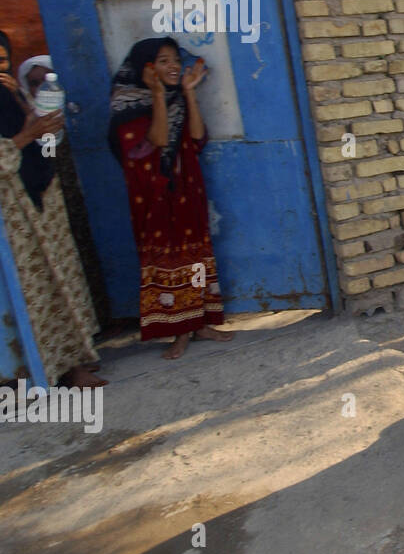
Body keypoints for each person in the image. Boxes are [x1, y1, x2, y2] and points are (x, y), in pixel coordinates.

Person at [108, 38, 231, 359]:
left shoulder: (177, 96)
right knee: (166, 259)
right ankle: (178, 330)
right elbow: (159, 140)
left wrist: (189, 92)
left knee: (196, 254)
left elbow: (196, 137)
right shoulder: (128, 103)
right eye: (163, 61)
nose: (174, 66)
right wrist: (160, 95)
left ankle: (200, 322)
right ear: (145, 67)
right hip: (154, 197)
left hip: (187, 190)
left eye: (175, 60)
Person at [0, 31, 103, 388]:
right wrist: (24, 138)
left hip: (41, 199)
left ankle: (74, 363)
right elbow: (21, 142)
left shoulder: (10, 96)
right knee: (32, 293)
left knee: (61, 280)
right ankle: (41, 372)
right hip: (12, 214)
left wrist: (21, 100)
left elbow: (45, 144)